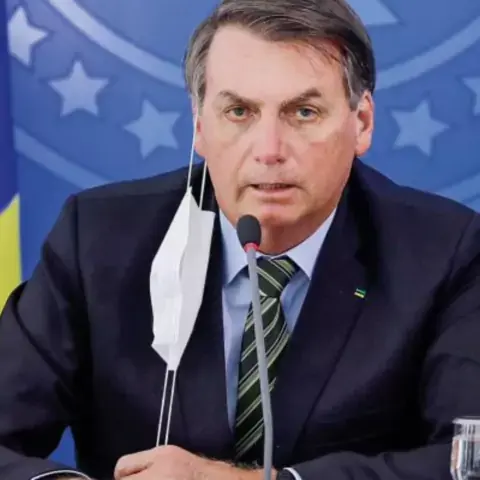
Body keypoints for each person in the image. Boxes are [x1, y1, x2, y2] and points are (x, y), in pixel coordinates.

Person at [1, 0, 480, 479]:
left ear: (362, 123)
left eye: (304, 112)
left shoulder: (445, 252)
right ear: (199, 126)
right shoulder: (99, 237)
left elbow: (467, 460)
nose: (269, 150)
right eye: (238, 111)